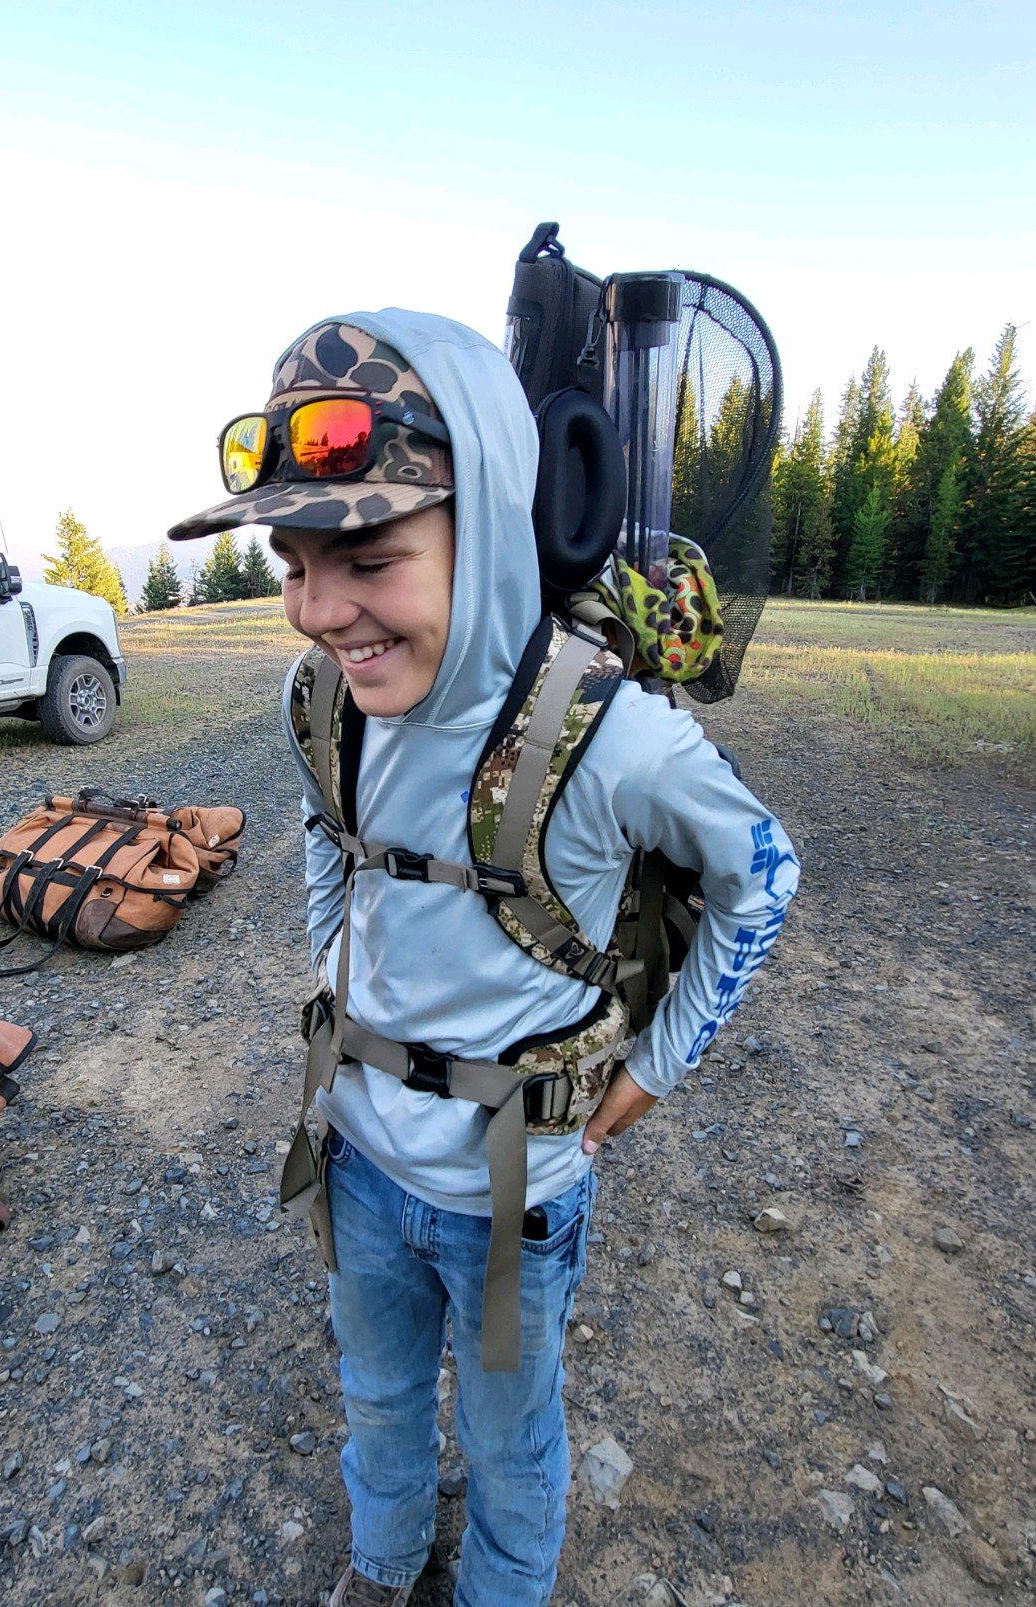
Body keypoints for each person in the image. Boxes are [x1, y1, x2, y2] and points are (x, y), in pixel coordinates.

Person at [171, 311, 799, 1606]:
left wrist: (656, 1068)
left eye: (367, 556)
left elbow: (763, 873)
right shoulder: (329, 702)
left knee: (512, 1437)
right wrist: (343, 1001)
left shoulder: (608, 738)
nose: (319, 607)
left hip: (510, 1188)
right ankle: (384, 1566)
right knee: (378, 1393)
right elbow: (321, 836)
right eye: (293, 560)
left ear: (492, 517)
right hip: (356, 1161)